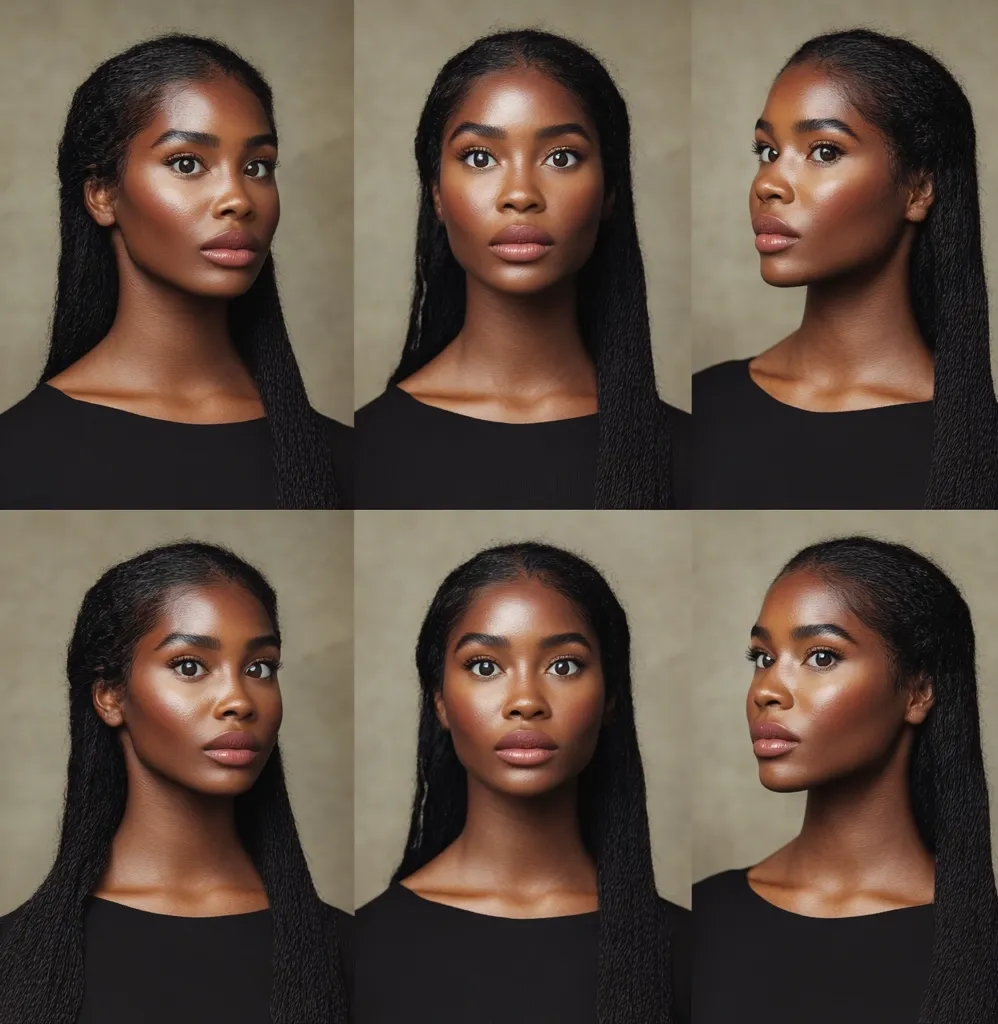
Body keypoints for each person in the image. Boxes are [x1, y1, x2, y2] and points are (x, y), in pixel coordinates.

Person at [0, 542, 349, 1024]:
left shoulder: (351, 954)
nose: (238, 700)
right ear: (109, 696)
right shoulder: (15, 963)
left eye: (259, 668)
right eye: (190, 666)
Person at [0, 35, 350, 510]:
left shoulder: (345, 458)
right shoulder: (19, 456)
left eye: (258, 167)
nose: (238, 199)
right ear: (102, 194)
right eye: (187, 163)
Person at [693, 536, 998, 1023]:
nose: (767, 689)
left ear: (918, 690)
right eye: (763, 657)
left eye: (821, 657)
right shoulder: (700, 921)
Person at [356, 542, 689, 1023]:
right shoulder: (359, 949)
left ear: (611, 696)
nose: (526, 701)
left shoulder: (690, 952)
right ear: (440, 701)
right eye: (485, 667)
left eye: (564, 665)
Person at [356, 30, 689, 510]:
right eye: (479, 157)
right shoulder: (359, 453)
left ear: (610, 191)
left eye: (561, 157)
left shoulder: (693, 455)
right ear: (436, 192)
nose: (520, 194)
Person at [692, 29, 998, 509]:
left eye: (824, 151)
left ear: (918, 190)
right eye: (767, 151)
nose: (770, 184)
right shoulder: (701, 408)